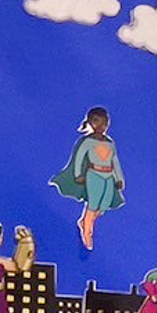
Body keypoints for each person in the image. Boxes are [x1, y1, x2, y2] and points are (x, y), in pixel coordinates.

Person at [50, 105, 126, 251]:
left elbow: (115, 161)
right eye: (97, 122)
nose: (101, 126)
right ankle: (87, 231)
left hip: (108, 175)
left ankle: (86, 221)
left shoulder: (109, 143)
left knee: (105, 203)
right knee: (93, 202)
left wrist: (119, 178)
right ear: (90, 122)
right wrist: (78, 174)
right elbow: (79, 157)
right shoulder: (88, 142)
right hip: (94, 174)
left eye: (104, 122)